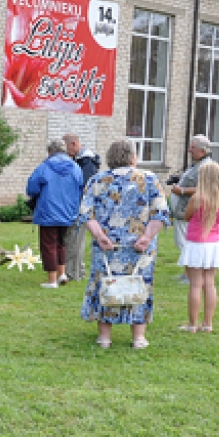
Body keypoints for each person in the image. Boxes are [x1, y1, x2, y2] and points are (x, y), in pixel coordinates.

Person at [79, 139, 171, 349]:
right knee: (139, 285)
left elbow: (86, 213)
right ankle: (138, 338)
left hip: (107, 248)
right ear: (132, 156)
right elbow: (160, 212)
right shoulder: (149, 179)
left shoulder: (97, 180)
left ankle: (104, 337)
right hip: (140, 248)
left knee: (105, 284)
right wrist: (147, 237)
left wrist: (99, 235)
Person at [177, 160, 219, 333]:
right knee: (210, 283)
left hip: (196, 242)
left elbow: (186, 216)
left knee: (195, 284)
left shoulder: (197, 197)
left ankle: (192, 324)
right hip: (213, 243)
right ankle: (207, 323)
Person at [26, 139, 83, 289]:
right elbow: (81, 187)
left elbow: (32, 188)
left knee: (48, 245)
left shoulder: (44, 167)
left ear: (50, 151)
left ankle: (52, 281)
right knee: (61, 243)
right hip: (68, 212)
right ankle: (62, 274)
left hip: (48, 211)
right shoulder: (76, 167)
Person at [170, 135, 212, 282]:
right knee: (183, 243)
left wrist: (181, 191)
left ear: (202, 150)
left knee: (186, 244)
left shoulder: (206, 166)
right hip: (182, 210)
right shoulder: (197, 164)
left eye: (192, 148)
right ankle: (187, 274)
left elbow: (205, 188)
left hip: (189, 211)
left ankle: (192, 276)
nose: (189, 150)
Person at [62, 133, 101, 281]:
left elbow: (84, 185)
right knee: (76, 239)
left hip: (80, 206)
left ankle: (73, 273)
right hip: (81, 205)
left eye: (67, 148)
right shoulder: (83, 160)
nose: (66, 153)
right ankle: (79, 270)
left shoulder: (86, 162)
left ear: (74, 144)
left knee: (75, 240)